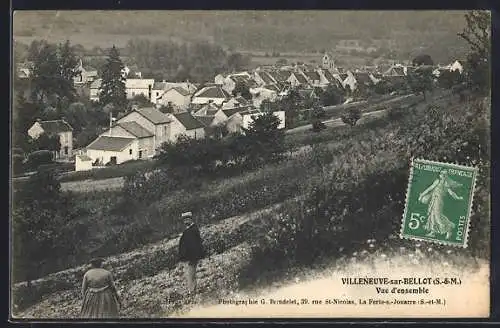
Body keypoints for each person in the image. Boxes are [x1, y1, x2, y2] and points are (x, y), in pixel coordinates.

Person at [418, 169, 463, 239]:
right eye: (442, 174)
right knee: (432, 215)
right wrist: (422, 195)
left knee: (437, 215)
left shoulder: (446, 183)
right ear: (440, 175)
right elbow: (430, 188)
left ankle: (448, 229)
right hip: (433, 199)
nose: (443, 176)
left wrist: (457, 197)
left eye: (444, 175)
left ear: (446, 176)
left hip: (439, 201)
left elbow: (451, 192)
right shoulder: (437, 181)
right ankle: (433, 232)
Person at [178, 212, 205, 295]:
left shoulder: (192, 230)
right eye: (184, 220)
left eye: (187, 219)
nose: (185, 221)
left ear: (191, 219)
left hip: (192, 257)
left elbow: (195, 245)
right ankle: (192, 290)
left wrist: (193, 258)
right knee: (190, 275)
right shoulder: (189, 229)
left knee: (190, 275)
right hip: (189, 257)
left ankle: (192, 291)